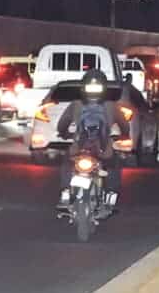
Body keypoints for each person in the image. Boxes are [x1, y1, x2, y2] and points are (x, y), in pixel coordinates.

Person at [56, 69, 131, 214]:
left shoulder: (76, 104)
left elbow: (62, 124)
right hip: (103, 149)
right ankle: (110, 196)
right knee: (113, 166)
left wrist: (64, 134)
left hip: (79, 149)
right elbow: (124, 125)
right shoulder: (111, 105)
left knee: (67, 164)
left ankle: (65, 194)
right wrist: (124, 135)